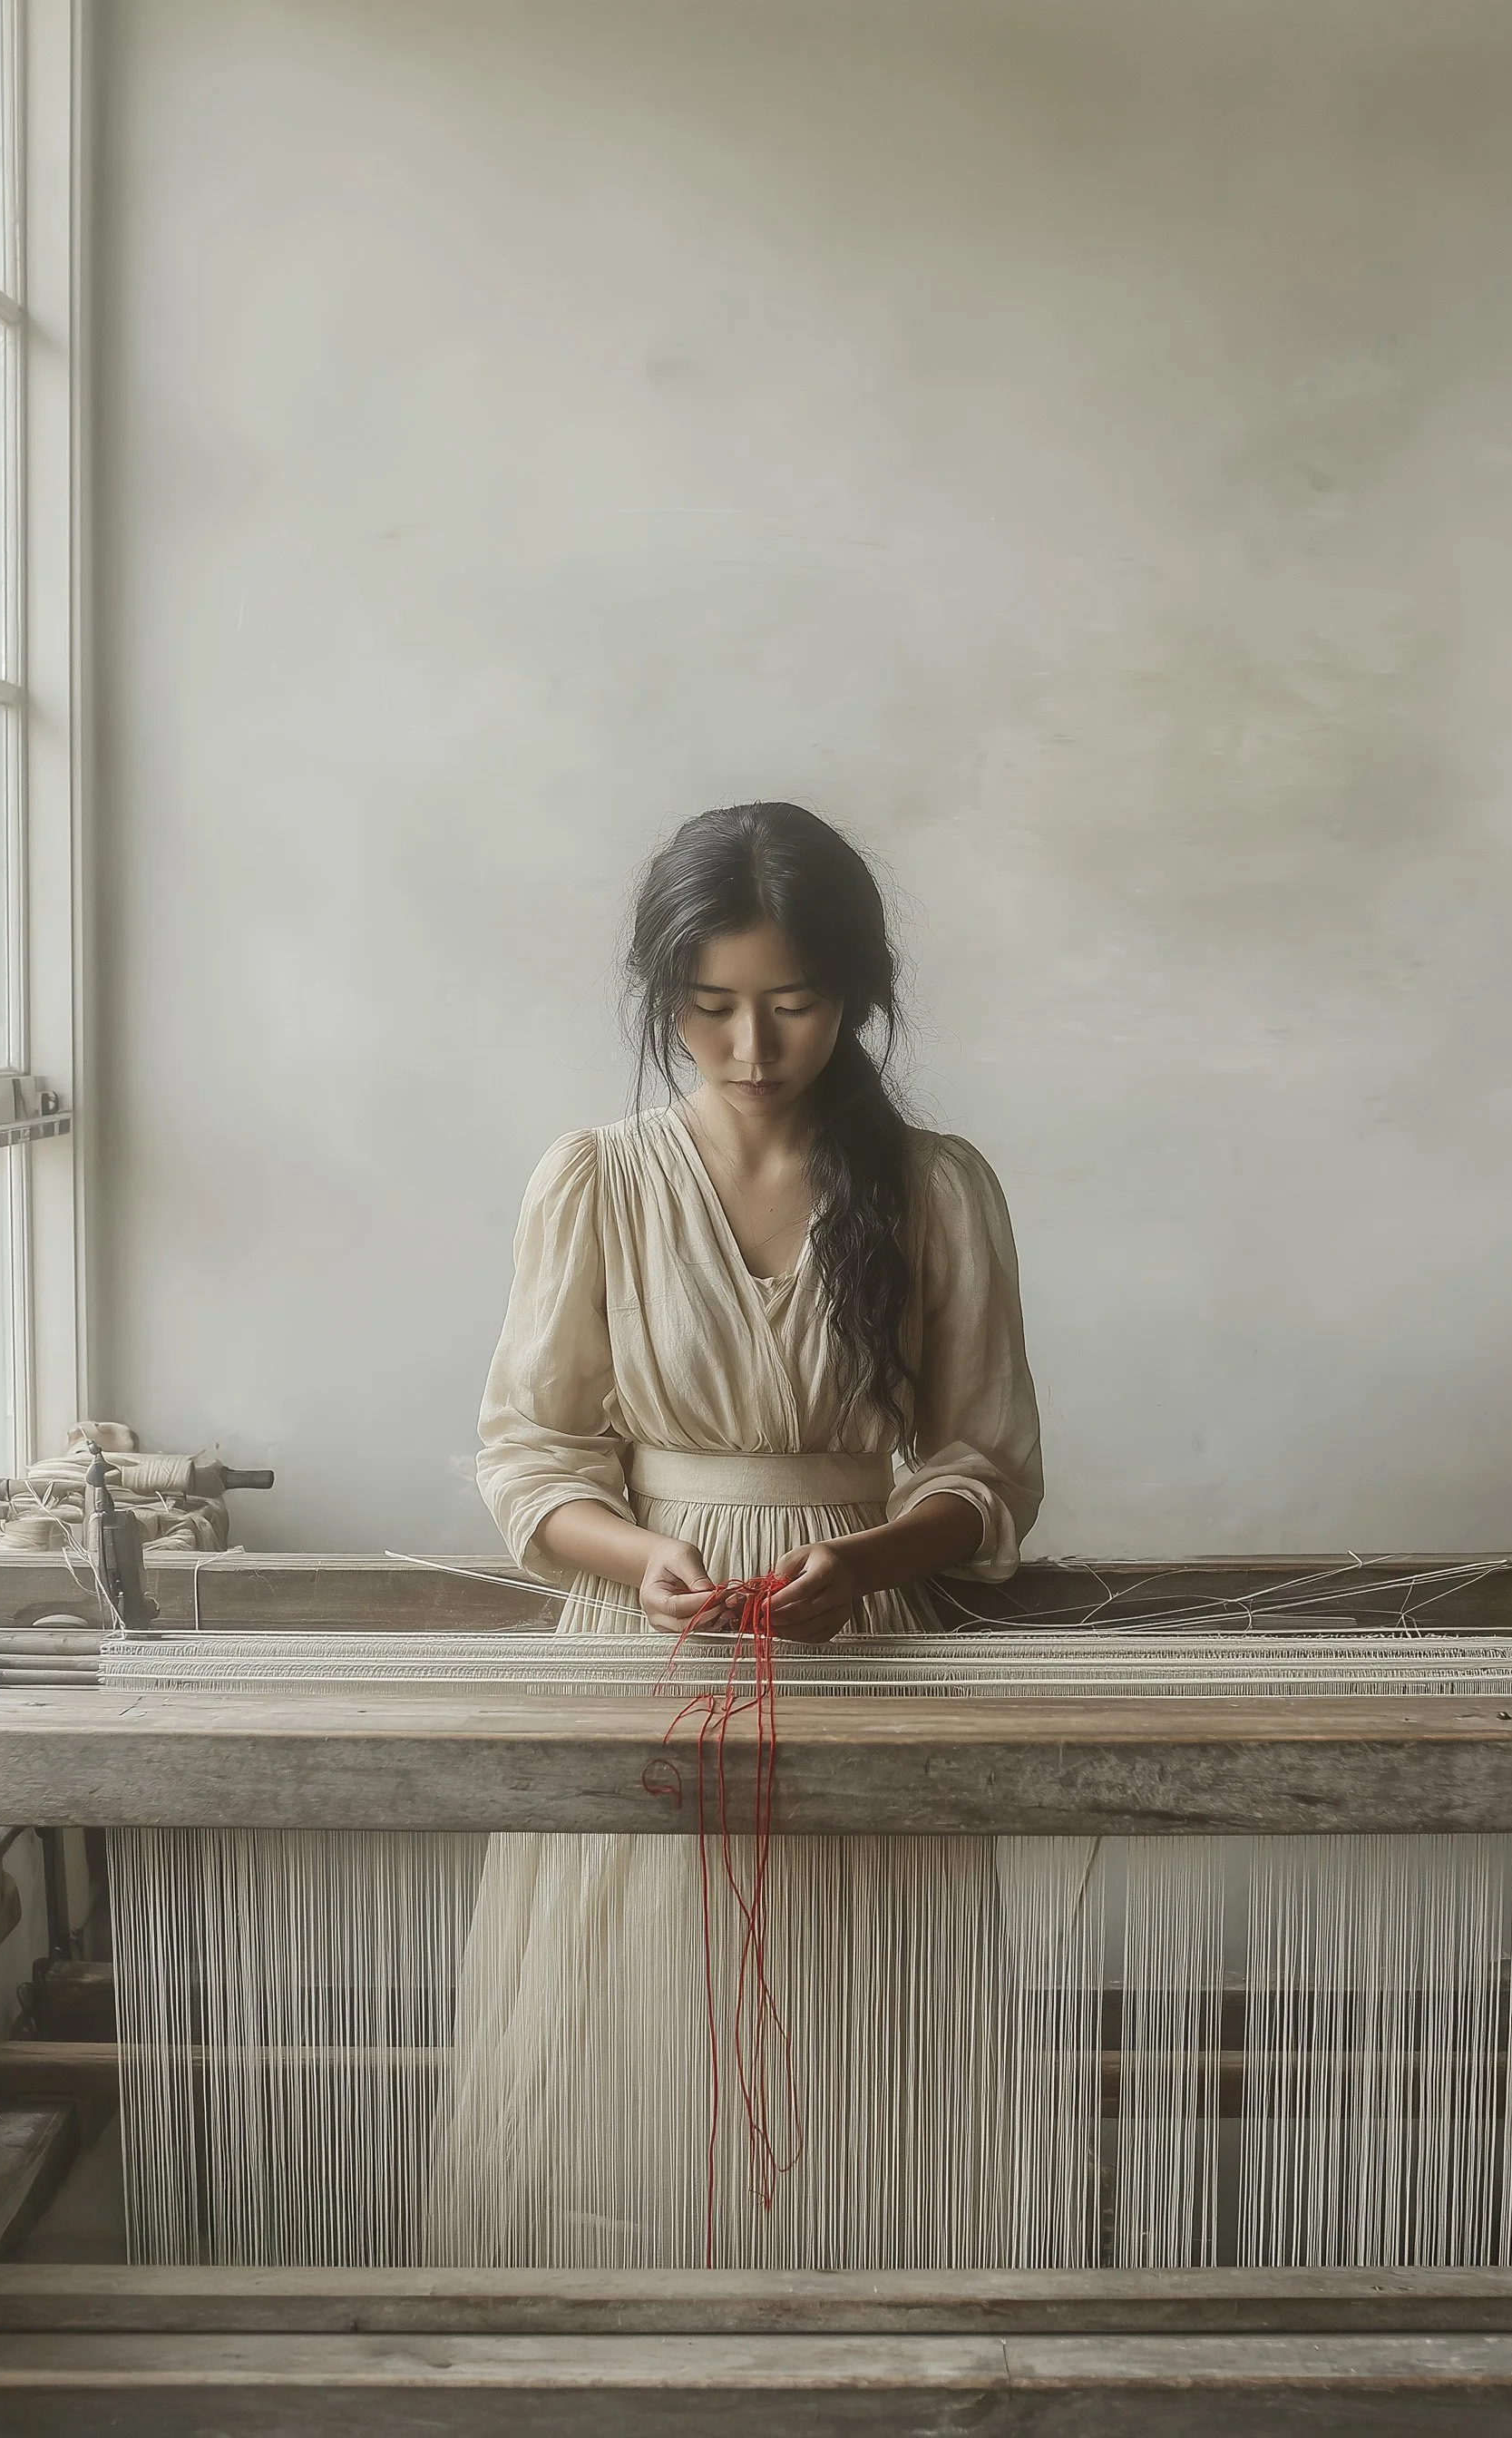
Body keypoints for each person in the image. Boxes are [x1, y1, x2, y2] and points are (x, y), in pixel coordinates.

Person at [432, 802, 1048, 2269]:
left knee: (854, 1996)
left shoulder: (933, 1186)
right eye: (712, 1009)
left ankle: (878, 2337)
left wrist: (873, 1558)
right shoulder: (596, 1177)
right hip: (654, 1639)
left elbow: (988, 1460)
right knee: (635, 1996)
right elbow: (533, 1450)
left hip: (859, 1638)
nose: (754, 1047)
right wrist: (641, 1560)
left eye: (796, 1004)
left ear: (860, 994)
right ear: (665, 999)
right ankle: (620, 2342)